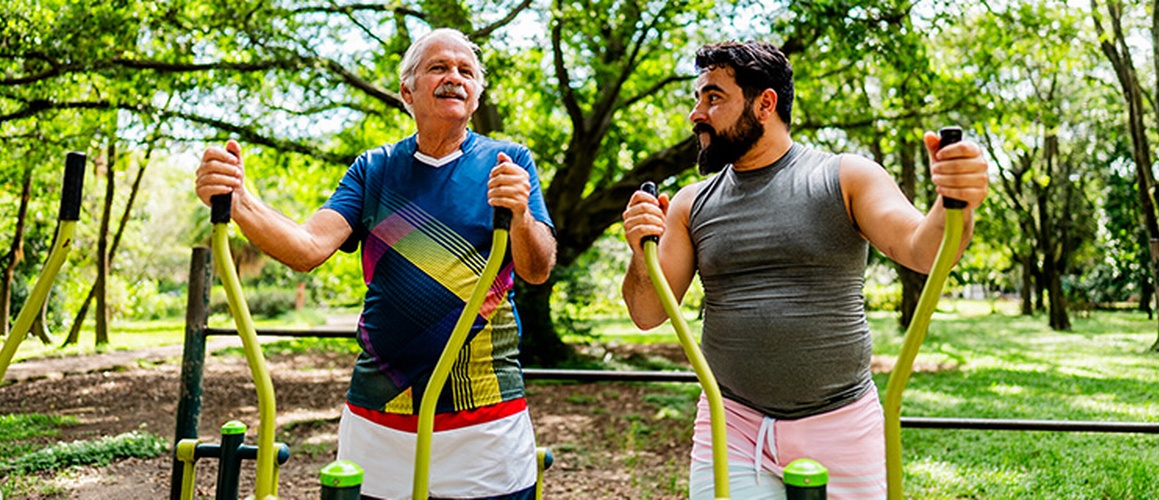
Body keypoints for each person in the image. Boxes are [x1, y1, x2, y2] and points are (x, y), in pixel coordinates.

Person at [194, 28, 556, 499]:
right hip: (379, 418)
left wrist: (521, 213)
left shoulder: (508, 162)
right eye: (438, 68)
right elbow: (306, 248)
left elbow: (537, 267)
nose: (454, 78)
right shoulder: (374, 168)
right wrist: (239, 200)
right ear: (407, 91)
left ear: (478, 93)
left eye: (466, 71)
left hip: (486, 422)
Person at [620, 40, 988, 499]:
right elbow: (647, 312)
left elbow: (925, 250)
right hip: (733, 424)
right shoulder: (690, 203)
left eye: (713, 97)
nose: (697, 113)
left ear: (765, 104)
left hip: (842, 424)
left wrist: (956, 202)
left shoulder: (846, 176)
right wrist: (641, 251)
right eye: (697, 99)